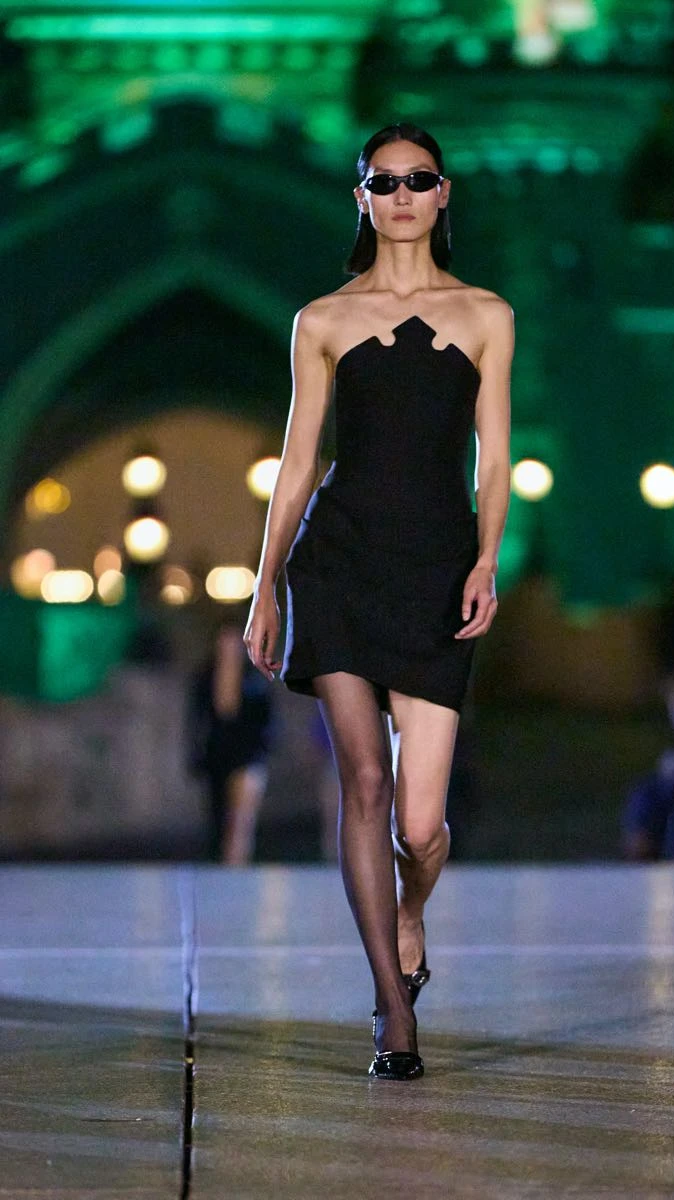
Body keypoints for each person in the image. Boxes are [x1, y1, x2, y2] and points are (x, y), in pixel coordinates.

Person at [244, 122, 513, 1080]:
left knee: (419, 826)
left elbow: (494, 456)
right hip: (340, 564)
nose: (402, 195)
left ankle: (411, 907)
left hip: (437, 568)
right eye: (383, 181)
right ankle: (393, 1010)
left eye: (418, 179)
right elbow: (296, 463)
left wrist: (487, 558)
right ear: (361, 196)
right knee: (364, 782)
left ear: (444, 194)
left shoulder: (486, 314)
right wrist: (266, 582)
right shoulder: (321, 321)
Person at [189, 615, 274, 865]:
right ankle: (224, 866)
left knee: (242, 819)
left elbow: (266, 717)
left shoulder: (254, 676)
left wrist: (263, 748)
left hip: (249, 755)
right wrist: (195, 753)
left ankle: (238, 864)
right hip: (218, 754)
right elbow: (197, 719)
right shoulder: (205, 675)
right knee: (218, 816)